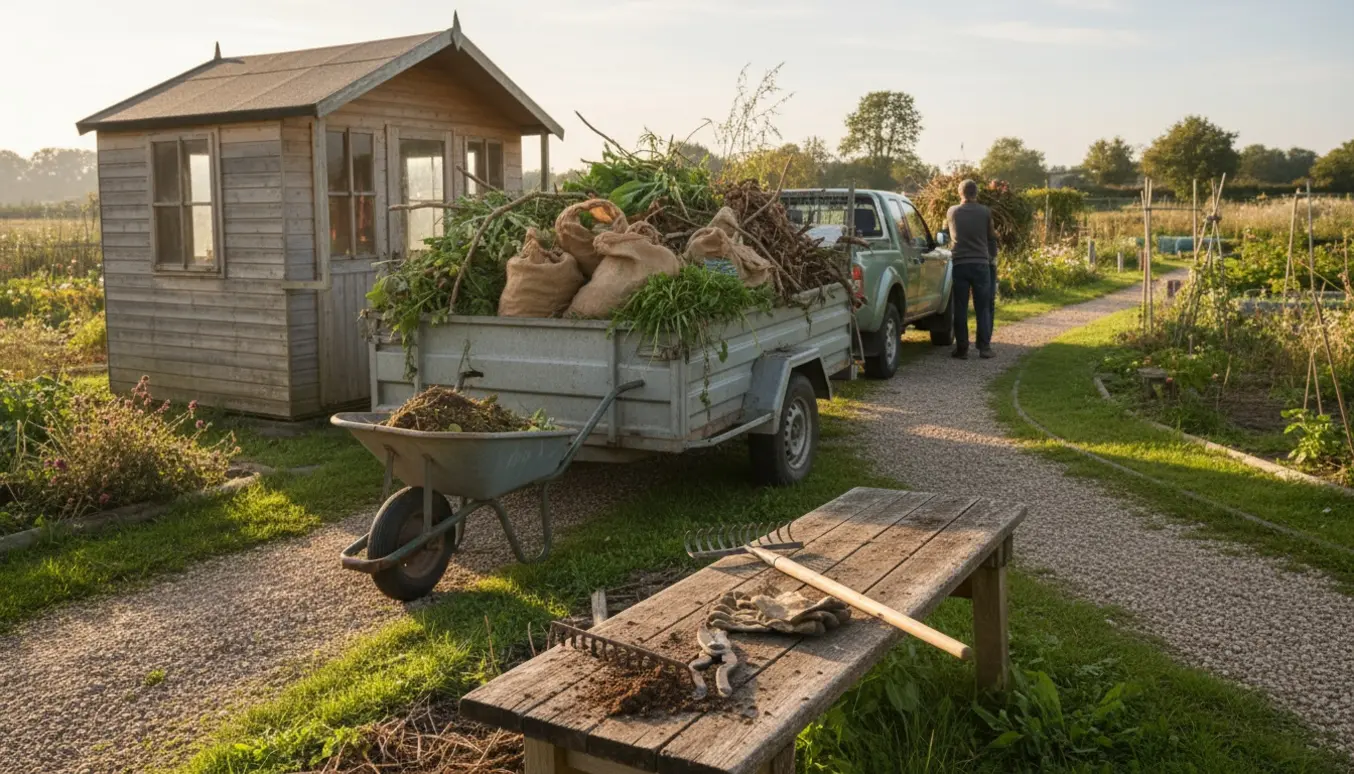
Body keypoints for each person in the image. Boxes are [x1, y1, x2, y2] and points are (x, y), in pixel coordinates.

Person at [945, 180, 998, 359]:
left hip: (959, 264)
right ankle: (984, 347)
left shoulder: (952, 212)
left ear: (960, 193)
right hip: (981, 264)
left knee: (960, 308)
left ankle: (962, 348)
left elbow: (948, 233)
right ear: (976, 192)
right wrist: (992, 258)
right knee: (982, 307)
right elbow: (991, 237)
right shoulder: (985, 212)